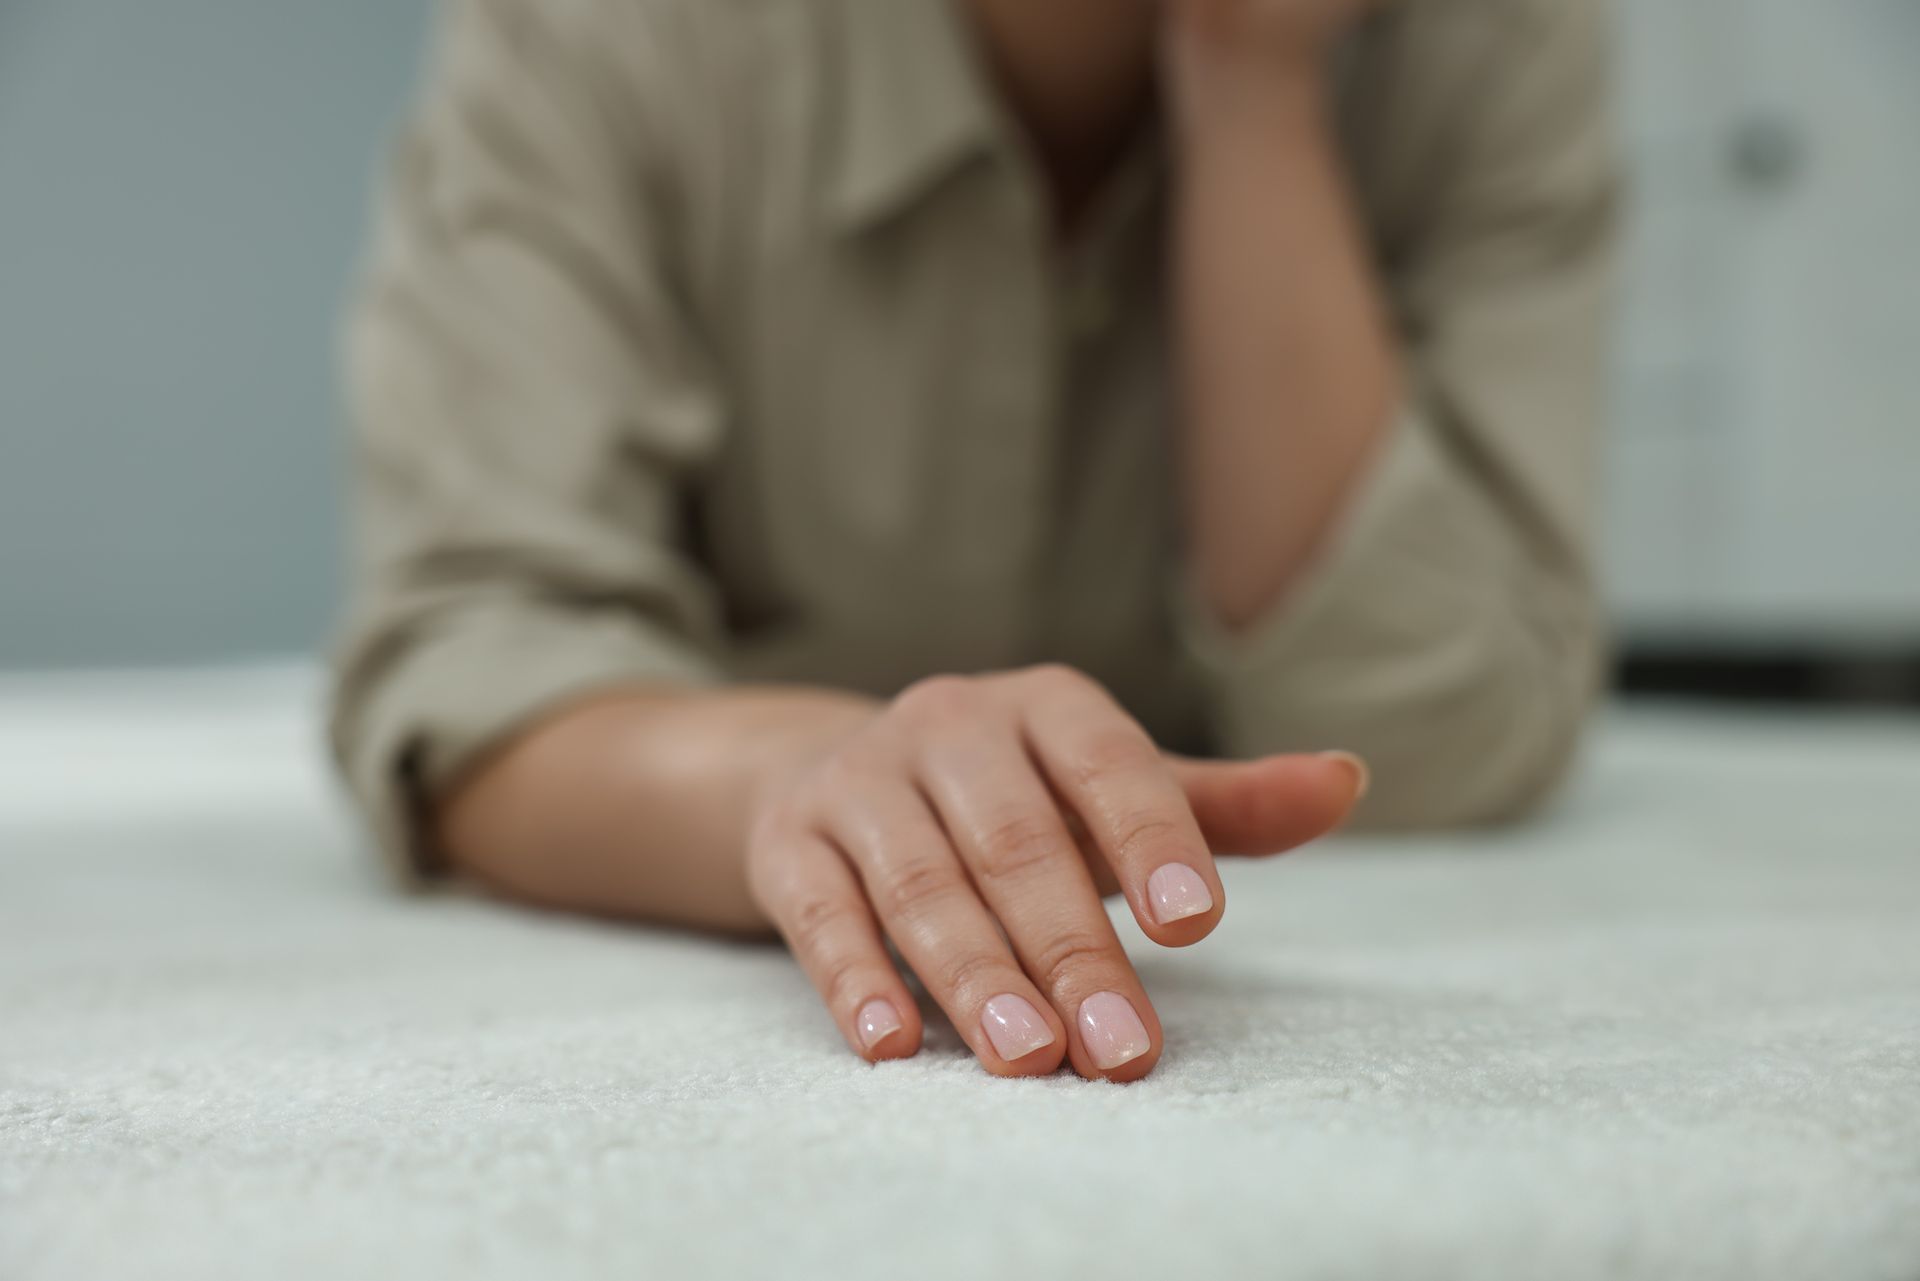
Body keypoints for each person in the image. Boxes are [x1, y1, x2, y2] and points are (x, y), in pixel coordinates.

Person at [328, 0, 1618, 1082]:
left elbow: (1436, 739)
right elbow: (475, 658)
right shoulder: (615, 34)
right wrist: (796, 777)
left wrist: (1254, 81)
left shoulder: (1492, 40)